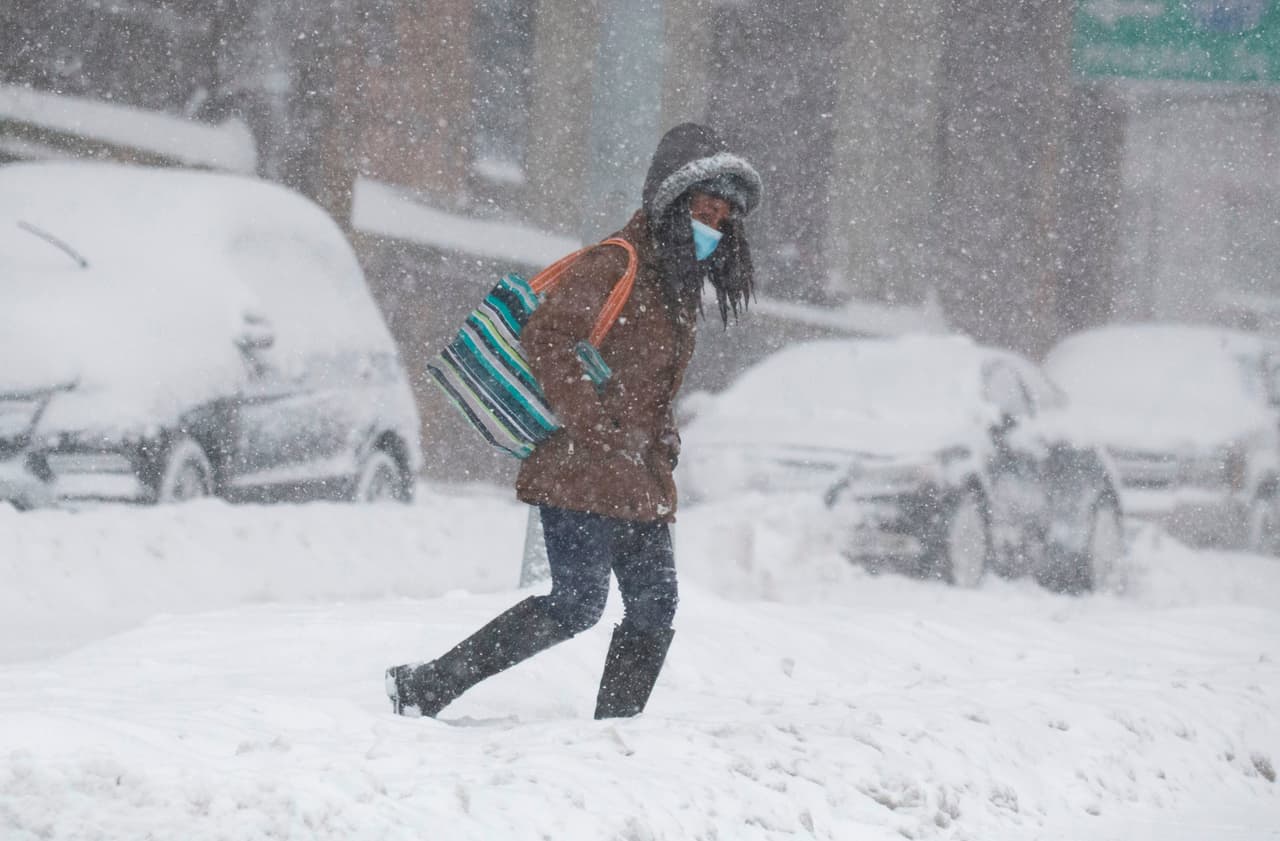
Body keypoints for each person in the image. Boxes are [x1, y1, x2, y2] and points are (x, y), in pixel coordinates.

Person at [386, 122, 762, 720]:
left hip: (636, 472)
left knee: (655, 607)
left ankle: (614, 733)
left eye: (723, 216)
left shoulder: (678, 287)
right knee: (576, 603)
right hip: (580, 468)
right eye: (704, 208)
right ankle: (427, 686)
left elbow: (645, 380)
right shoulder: (618, 263)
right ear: (671, 200)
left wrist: (659, 433)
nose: (713, 226)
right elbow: (550, 336)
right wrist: (593, 425)